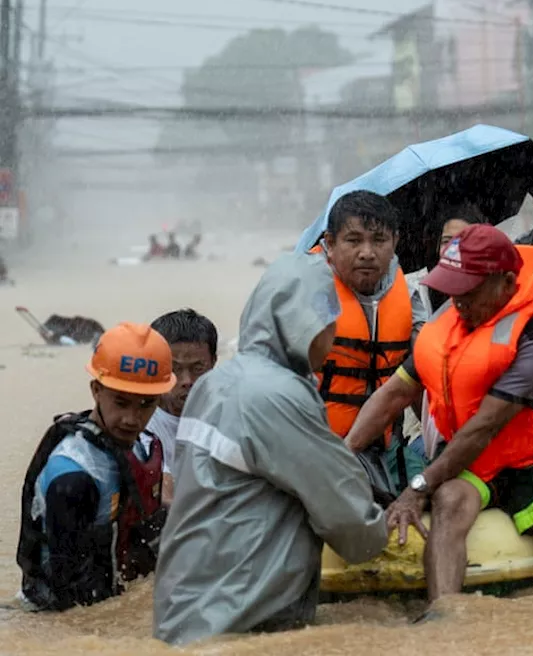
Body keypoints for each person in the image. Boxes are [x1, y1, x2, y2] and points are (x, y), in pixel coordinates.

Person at [349, 224, 533, 608]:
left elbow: (485, 427)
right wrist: (343, 451)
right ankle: (445, 619)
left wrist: (416, 489)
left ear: (506, 282)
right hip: (470, 461)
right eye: (452, 289)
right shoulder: (444, 326)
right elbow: (394, 394)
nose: (457, 302)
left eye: (468, 289)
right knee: (450, 501)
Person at [153, 252, 387, 646]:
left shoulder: (219, 382)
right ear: (307, 326)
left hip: (186, 609)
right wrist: (382, 529)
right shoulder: (274, 395)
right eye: (330, 327)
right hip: (238, 619)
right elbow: (349, 520)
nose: (332, 340)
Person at [17, 323, 175, 612]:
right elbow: (69, 598)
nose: (132, 418)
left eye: (145, 404)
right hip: (54, 617)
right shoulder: (74, 476)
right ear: (96, 390)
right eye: (121, 402)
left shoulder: (145, 445)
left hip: (117, 593)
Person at [312, 190, 429, 495]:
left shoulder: (409, 296)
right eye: (353, 240)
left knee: (433, 491)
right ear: (330, 242)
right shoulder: (306, 290)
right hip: (318, 444)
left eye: (379, 240)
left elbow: (422, 377)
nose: (367, 252)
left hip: (386, 447)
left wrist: (440, 445)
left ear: (395, 243)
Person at [144, 309, 218, 504]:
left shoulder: (229, 415)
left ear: (214, 363)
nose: (187, 381)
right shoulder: (139, 421)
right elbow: (166, 495)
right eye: (174, 369)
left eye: (198, 369)